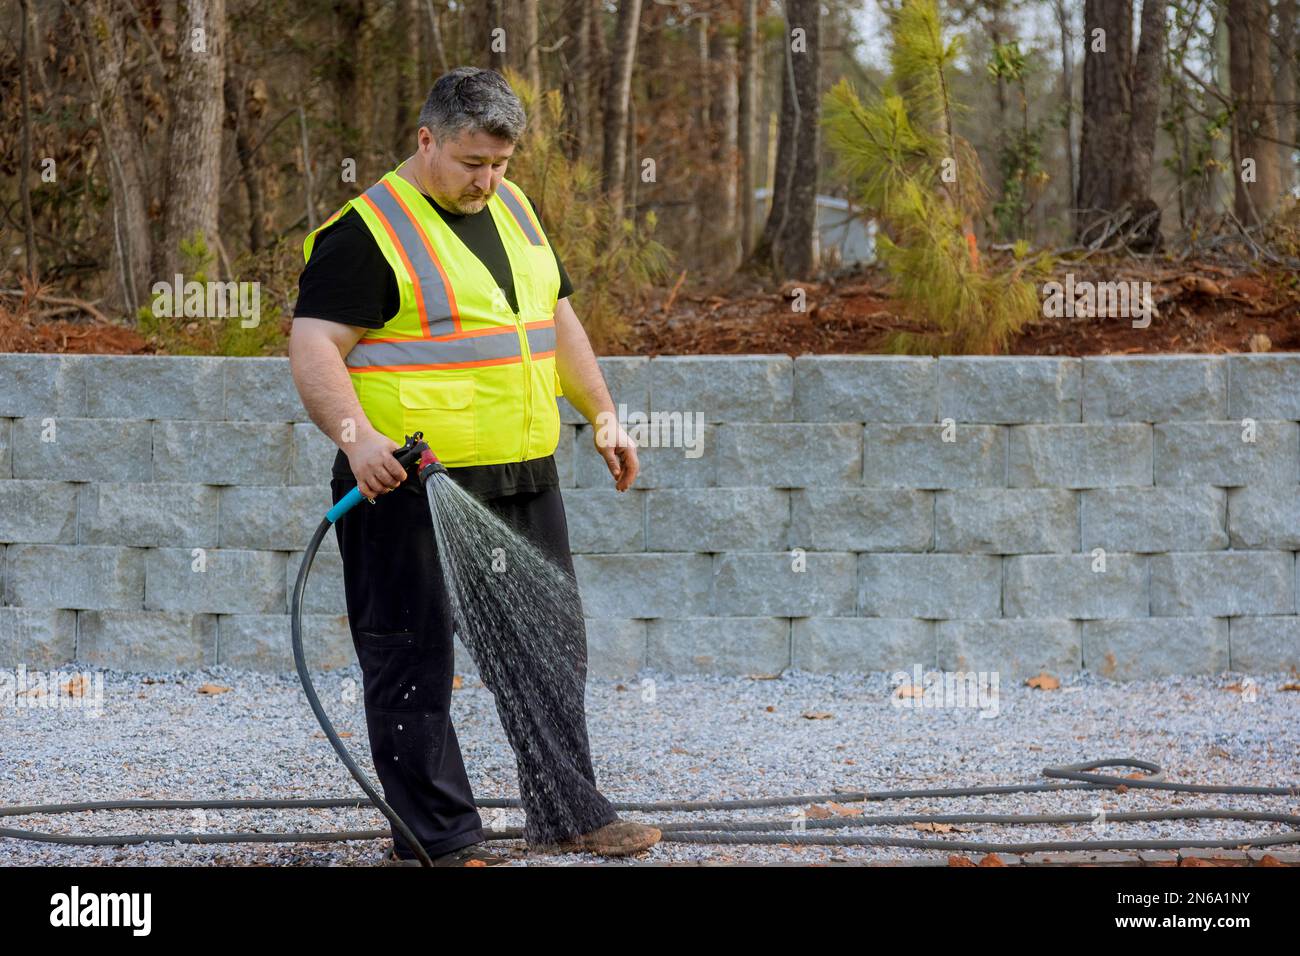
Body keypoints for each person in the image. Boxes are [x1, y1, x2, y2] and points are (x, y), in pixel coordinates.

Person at [288, 66, 660, 866]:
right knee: (412, 656)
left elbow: (555, 317)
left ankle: (568, 812)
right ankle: (439, 838)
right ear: (427, 140)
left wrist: (602, 414)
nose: (487, 181)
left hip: (522, 473)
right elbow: (313, 344)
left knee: (549, 651)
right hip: (409, 484)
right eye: (471, 164)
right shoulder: (368, 231)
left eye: (500, 164)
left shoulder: (515, 208)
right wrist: (356, 441)